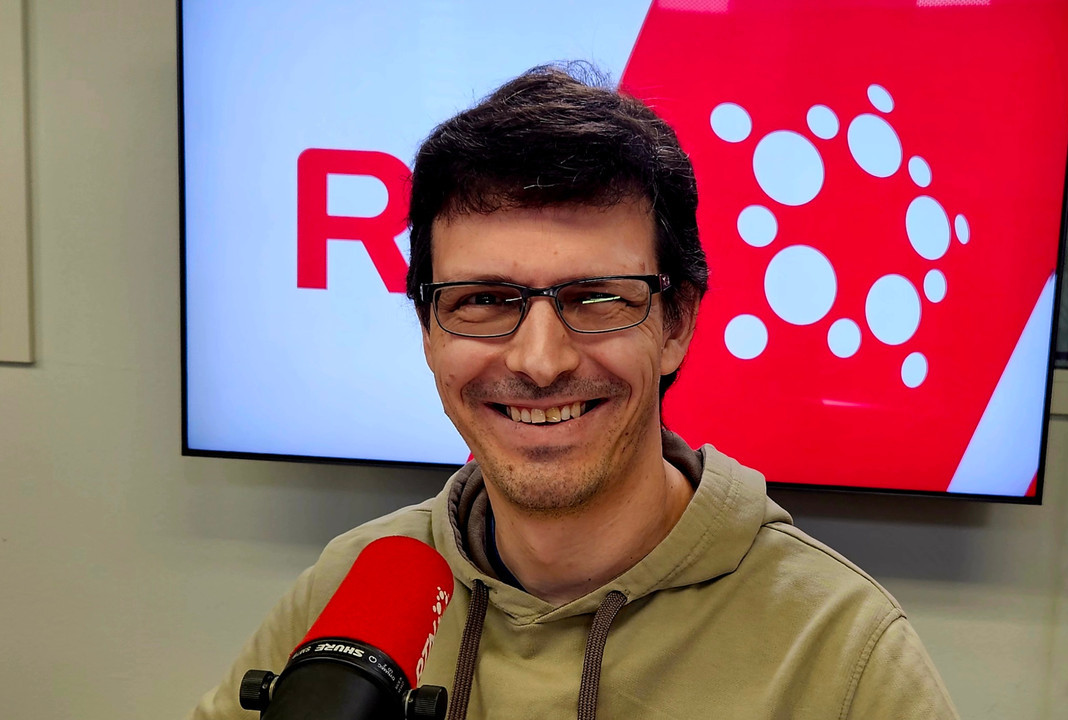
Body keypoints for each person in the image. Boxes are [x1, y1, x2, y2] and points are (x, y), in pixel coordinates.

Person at [188, 64, 959, 720]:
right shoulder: (356, 588)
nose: (540, 360)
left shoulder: (839, 649)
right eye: (482, 299)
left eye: (595, 297)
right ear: (428, 331)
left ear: (676, 323)